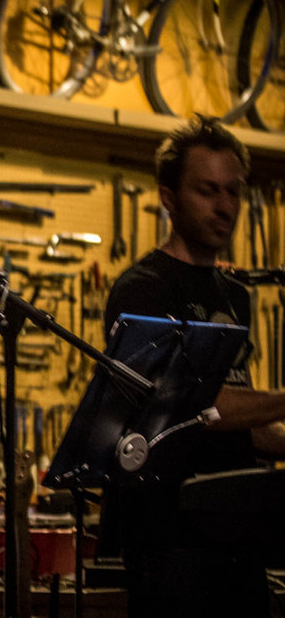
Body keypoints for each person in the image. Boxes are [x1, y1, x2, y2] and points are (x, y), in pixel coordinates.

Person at [102, 116, 285, 617]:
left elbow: (239, 420)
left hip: (236, 527)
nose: (225, 206)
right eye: (207, 191)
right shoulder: (143, 289)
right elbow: (191, 404)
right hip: (171, 540)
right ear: (168, 197)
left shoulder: (235, 296)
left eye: (233, 192)